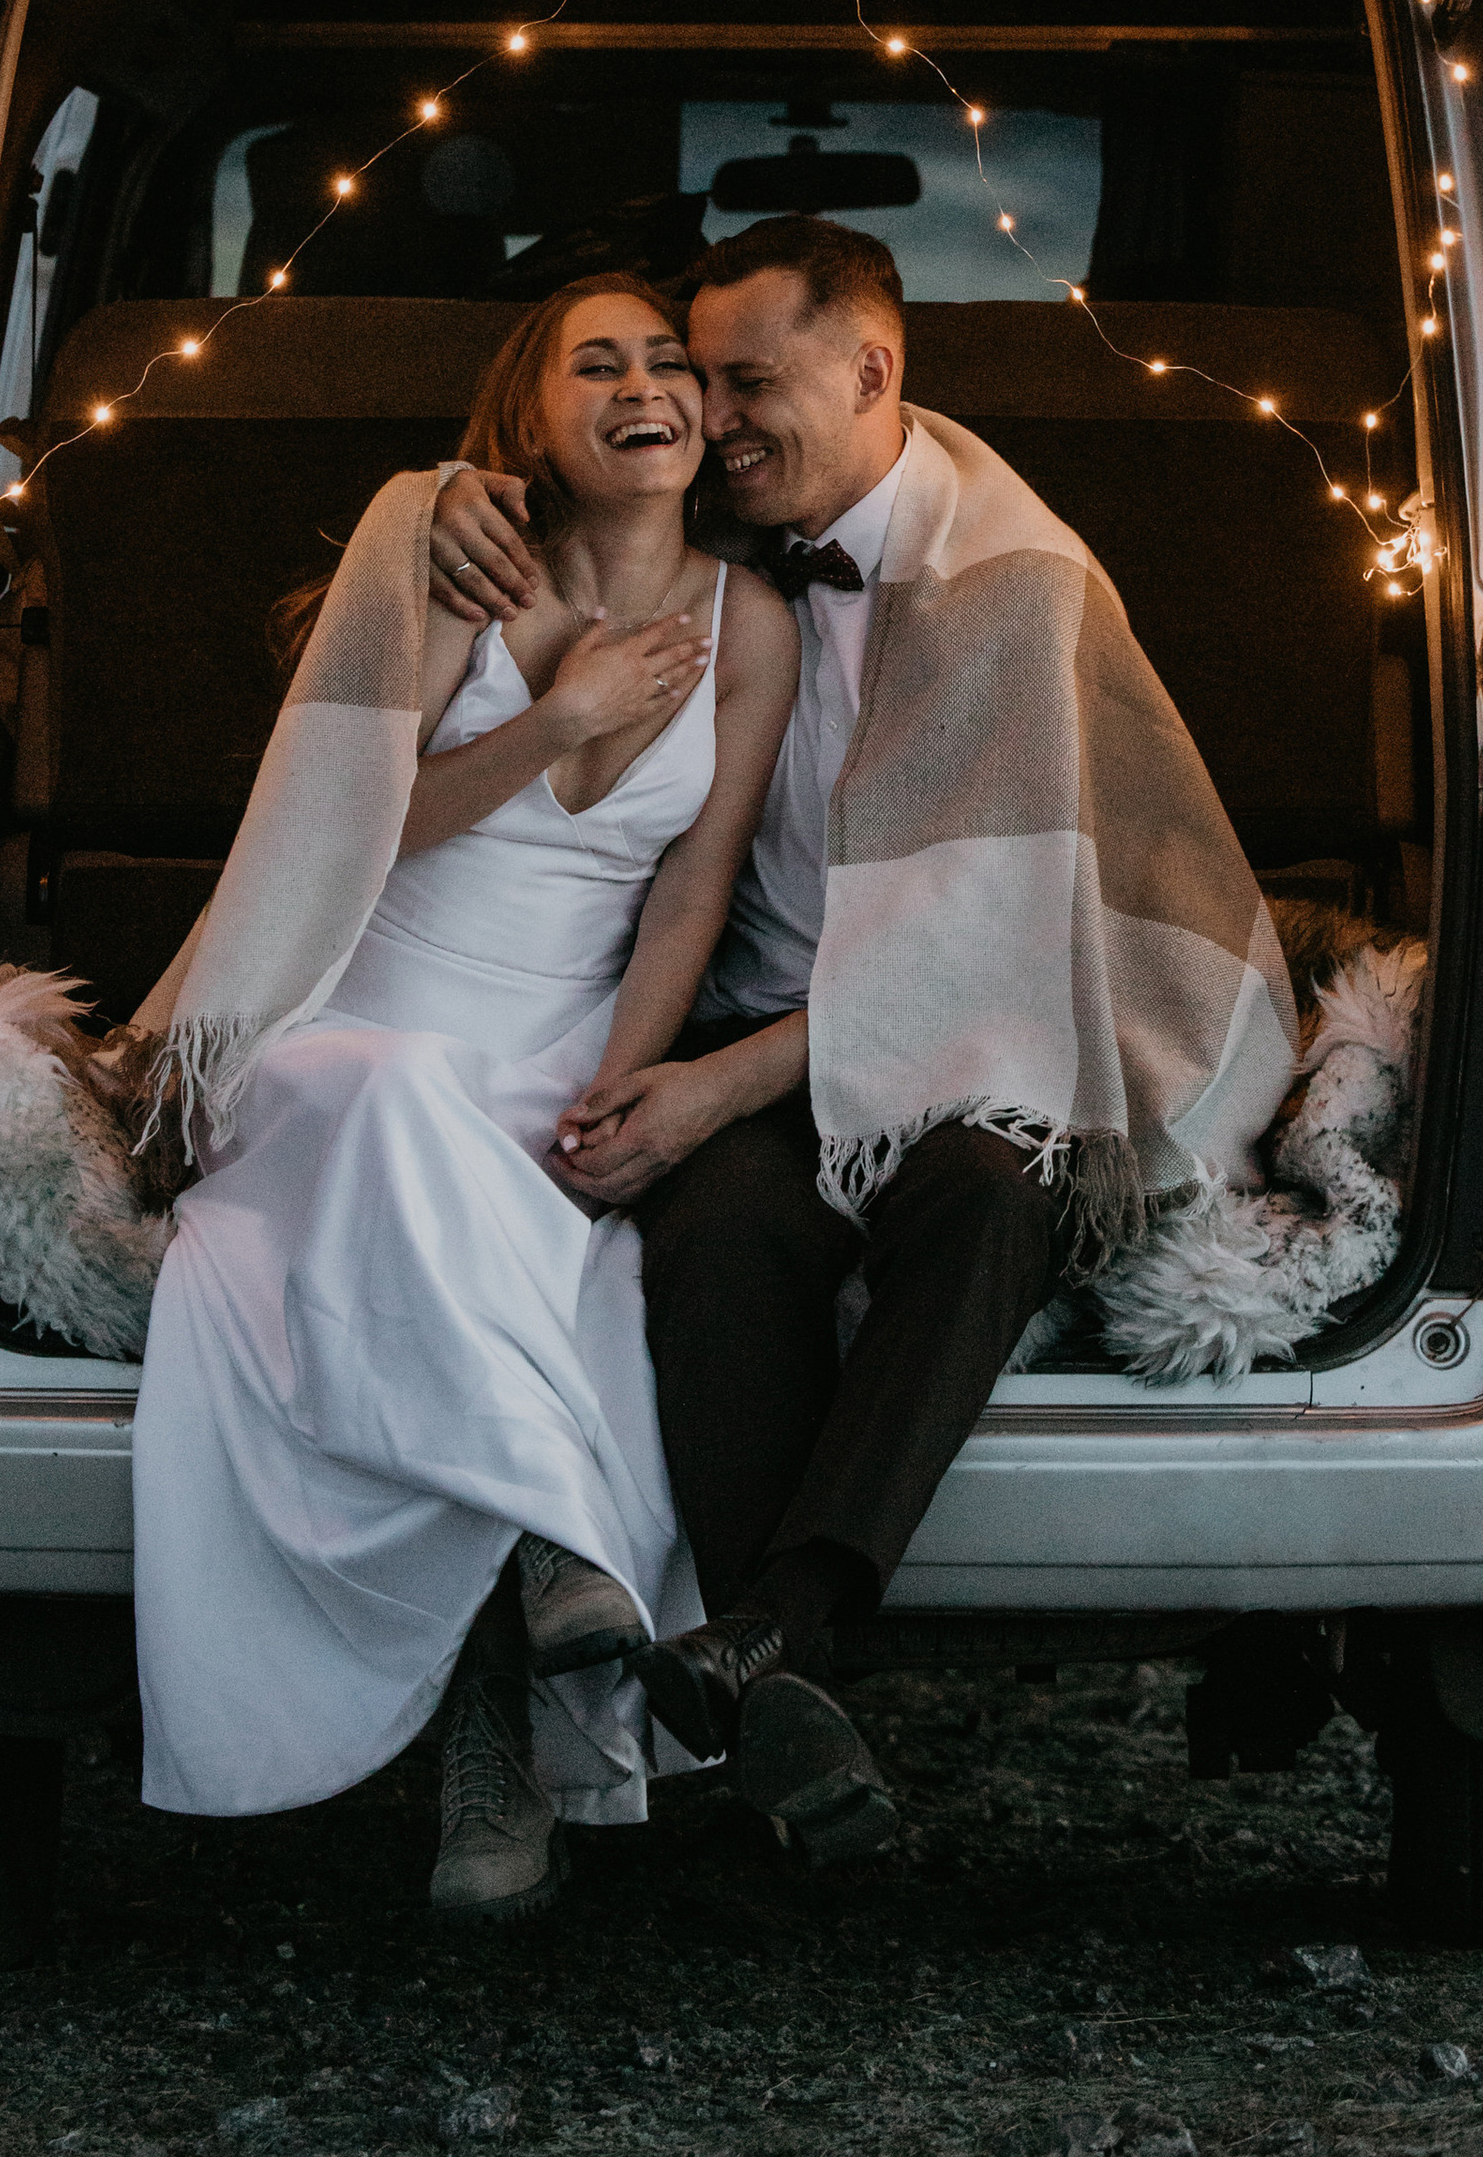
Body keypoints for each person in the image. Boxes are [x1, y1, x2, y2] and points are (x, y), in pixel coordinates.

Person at [428, 216, 1295, 1859]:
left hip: (992, 1037)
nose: (713, 415)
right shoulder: (710, 535)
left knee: (987, 1197)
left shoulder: (1010, 578)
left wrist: (709, 1094)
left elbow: (988, 960)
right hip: (765, 1023)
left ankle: (775, 1632)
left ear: (872, 369)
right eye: (701, 380)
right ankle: (773, 1706)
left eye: (749, 381)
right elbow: (551, 479)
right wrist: (448, 495)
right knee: (726, 1230)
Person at [127, 280, 797, 1923]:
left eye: (670, 366)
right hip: (349, 1021)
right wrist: (560, 716)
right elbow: (348, 832)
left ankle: (498, 1720)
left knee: (568, 1259)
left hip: (558, 1038)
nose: (645, 386)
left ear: (708, 420)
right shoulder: (453, 579)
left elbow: (693, 893)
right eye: (599, 365)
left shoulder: (754, 626)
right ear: (534, 420)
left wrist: (626, 1086)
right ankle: (556, 1565)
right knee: (402, 1100)